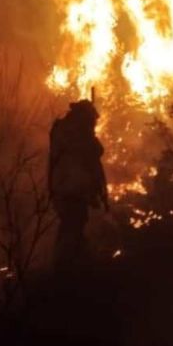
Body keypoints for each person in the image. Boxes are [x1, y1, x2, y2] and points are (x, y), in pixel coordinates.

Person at [48, 99, 109, 272]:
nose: (94, 123)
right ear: (85, 118)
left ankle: (72, 263)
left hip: (62, 187)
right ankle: (66, 266)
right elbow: (94, 152)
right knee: (73, 224)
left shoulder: (63, 130)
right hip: (71, 189)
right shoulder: (77, 133)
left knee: (72, 224)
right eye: (92, 120)